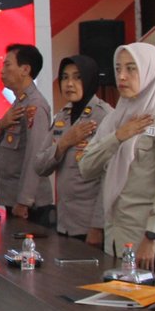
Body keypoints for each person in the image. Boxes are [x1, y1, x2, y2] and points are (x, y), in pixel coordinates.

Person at [77, 42, 155, 275]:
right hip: (117, 240)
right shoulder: (115, 119)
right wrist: (118, 137)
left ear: (150, 72)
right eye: (118, 69)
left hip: (151, 245)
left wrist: (152, 236)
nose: (122, 76)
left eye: (131, 68)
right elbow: (86, 167)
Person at [33, 55, 111, 245]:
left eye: (77, 77)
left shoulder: (105, 116)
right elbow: (40, 165)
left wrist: (98, 226)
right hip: (65, 222)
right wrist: (64, 143)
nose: (69, 84)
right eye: (65, 77)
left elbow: (109, 179)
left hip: (91, 224)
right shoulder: (63, 116)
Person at [0, 44, 53, 221]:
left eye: (7, 65)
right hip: (14, 200)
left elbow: (35, 156)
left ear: (25, 70)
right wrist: (0, 126)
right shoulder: (19, 104)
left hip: (30, 206)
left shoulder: (35, 106)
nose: (2, 71)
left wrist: (24, 201)